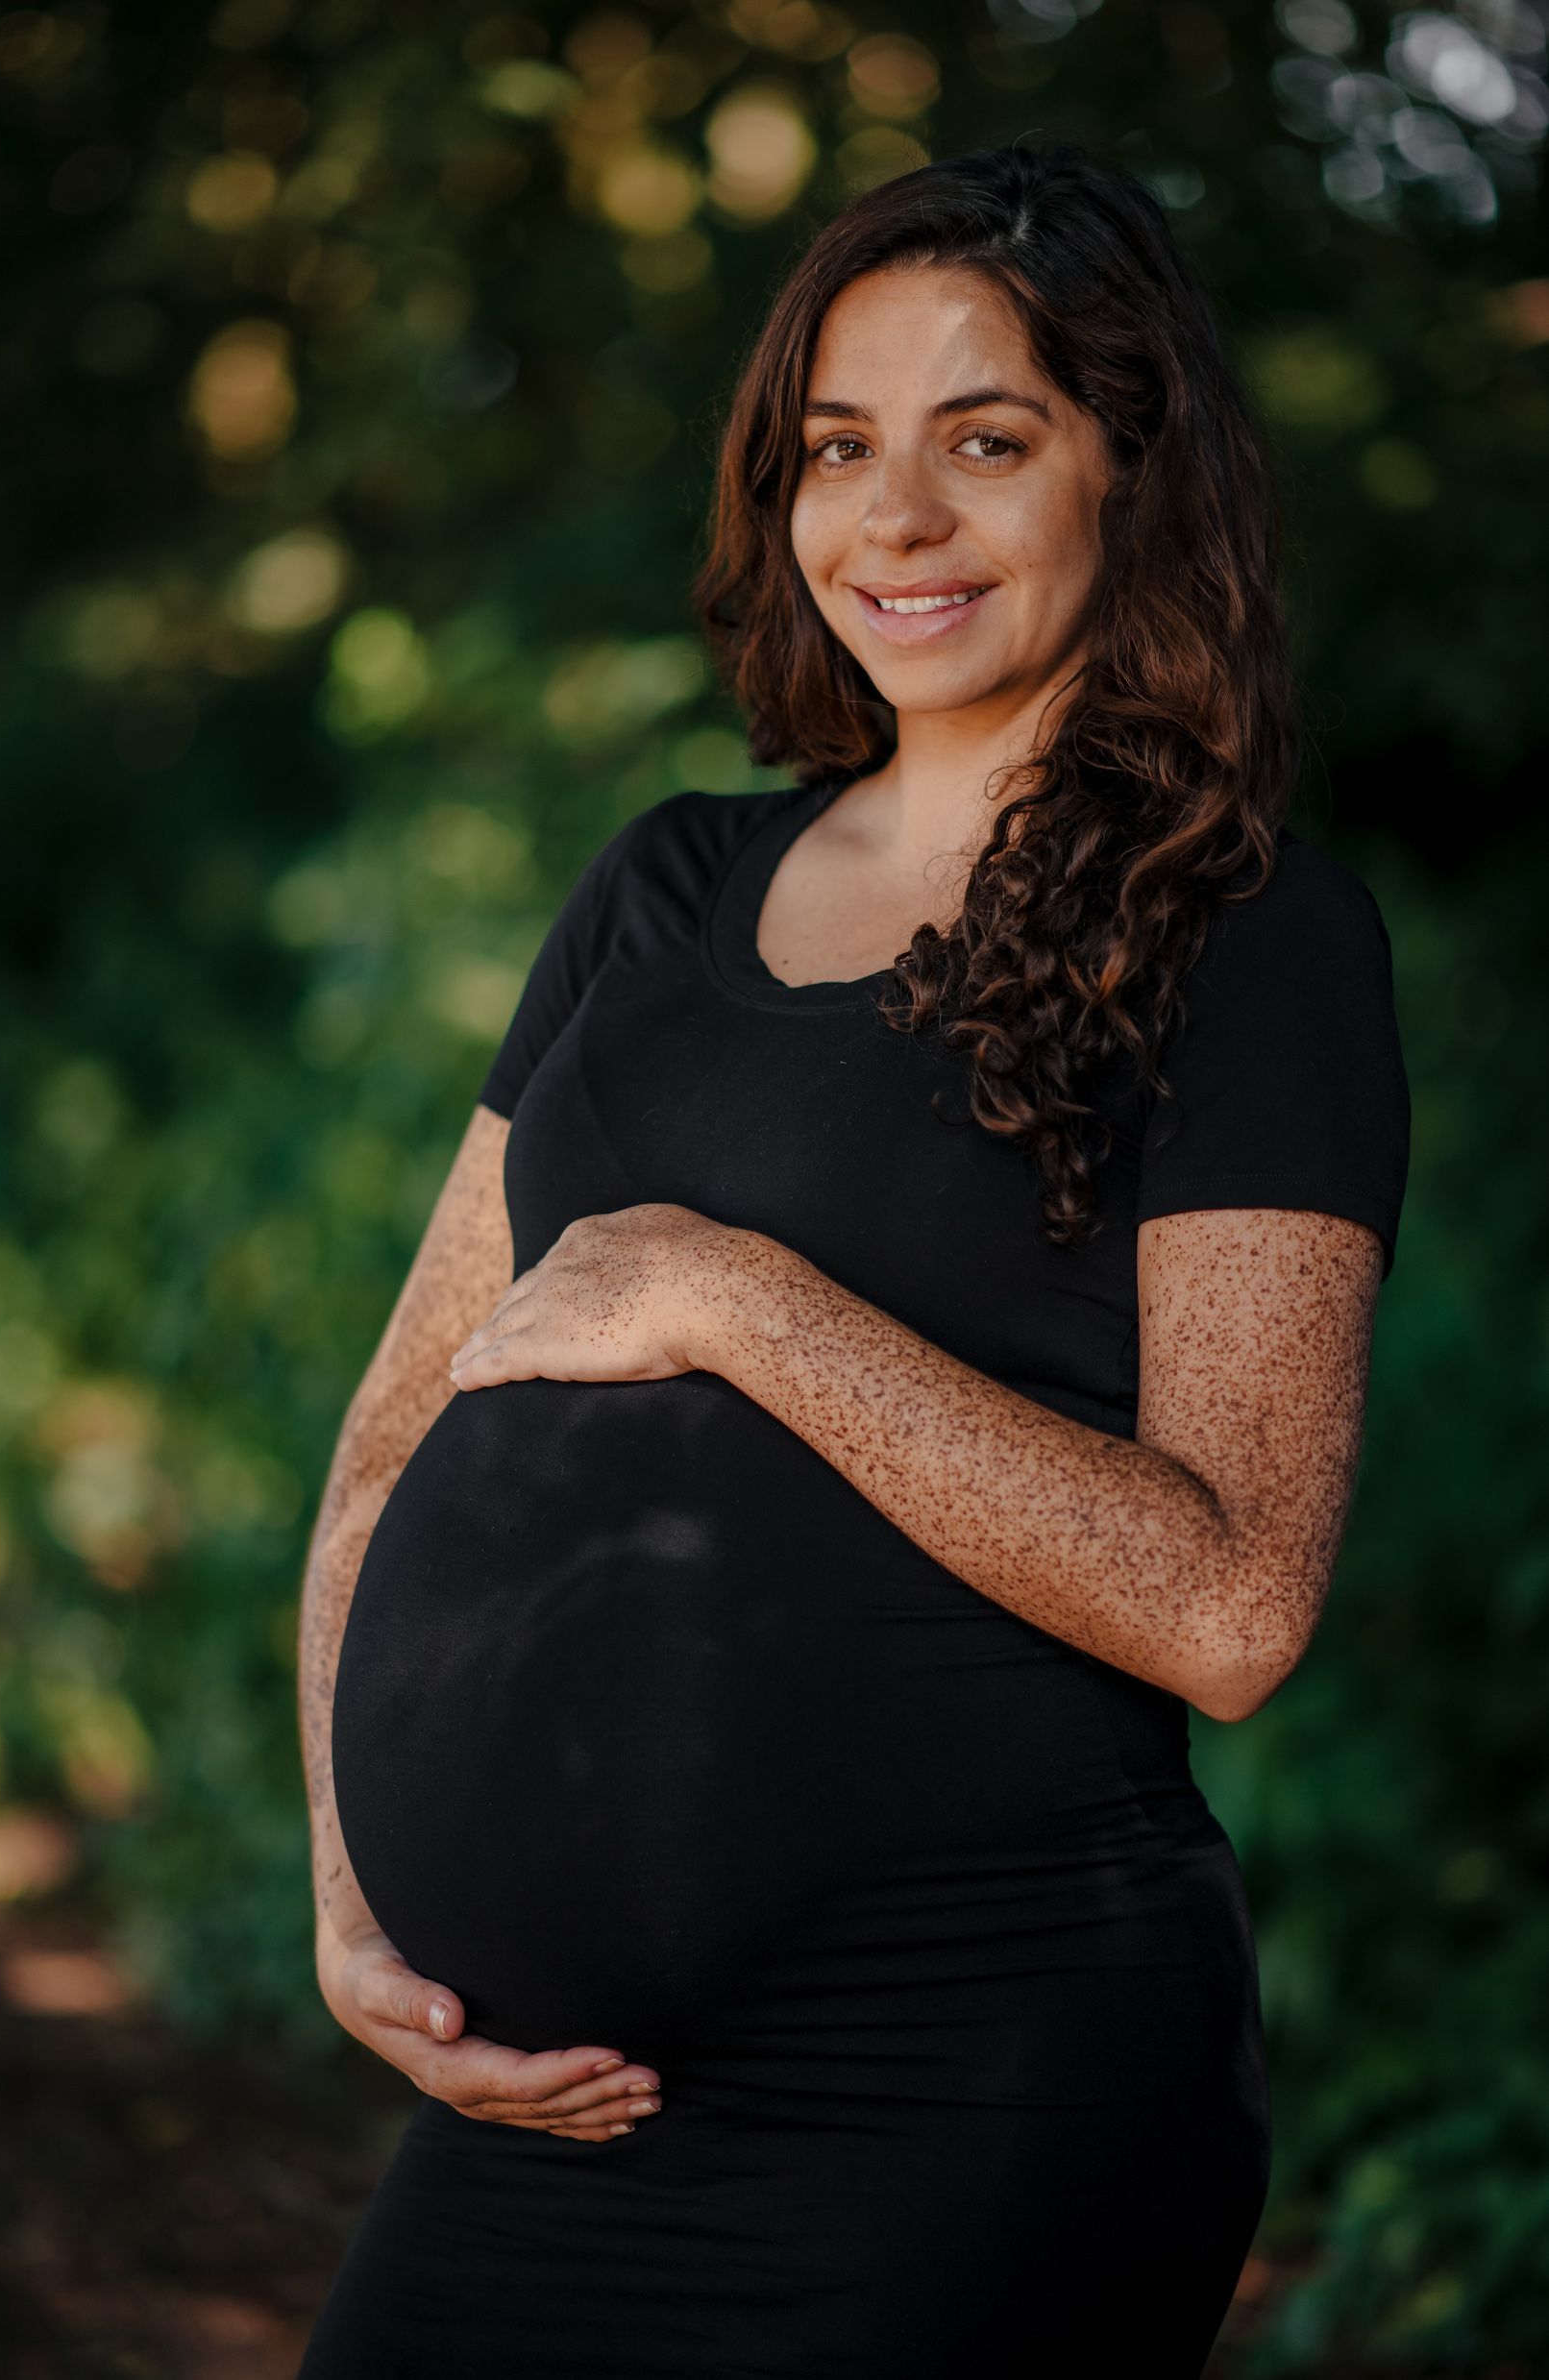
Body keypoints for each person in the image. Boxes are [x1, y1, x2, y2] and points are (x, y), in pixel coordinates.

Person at [295, 140, 1410, 2378]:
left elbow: (1230, 1605)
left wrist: (745, 1302)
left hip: (962, 2093)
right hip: (548, 2113)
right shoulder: (661, 889)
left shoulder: (1242, 932)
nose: (891, 519)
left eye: (983, 442)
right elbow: (400, 1429)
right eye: (834, 449)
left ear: (1128, 472)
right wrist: (352, 1889)